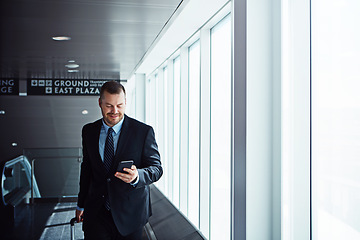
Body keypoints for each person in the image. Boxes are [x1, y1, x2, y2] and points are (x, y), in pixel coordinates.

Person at [75, 80, 162, 240]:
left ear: (126, 103)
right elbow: (86, 169)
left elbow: (156, 169)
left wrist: (137, 176)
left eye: (120, 105)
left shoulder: (143, 132)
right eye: (109, 106)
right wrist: (81, 203)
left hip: (130, 214)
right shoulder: (89, 131)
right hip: (97, 213)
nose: (114, 111)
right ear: (100, 103)